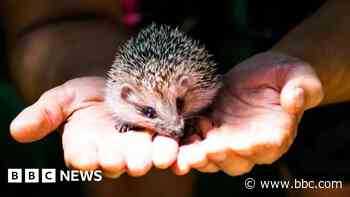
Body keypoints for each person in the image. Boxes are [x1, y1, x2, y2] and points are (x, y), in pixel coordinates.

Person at [4, 0, 350, 196]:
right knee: (130, 180)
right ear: (124, 98)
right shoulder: (121, 95)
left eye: (180, 105)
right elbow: (59, 18)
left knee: (326, 160)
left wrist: (315, 57)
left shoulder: (194, 86)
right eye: (151, 113)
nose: (172, 123)